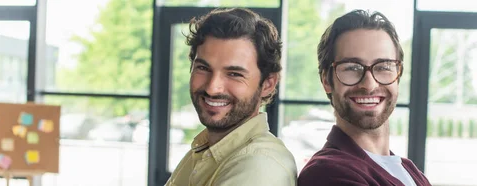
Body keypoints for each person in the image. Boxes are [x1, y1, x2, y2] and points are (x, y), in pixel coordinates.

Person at [297, 9, 432, 186]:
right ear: (326, 81)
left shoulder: (407, 169)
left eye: (383, 66)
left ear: (398, 76)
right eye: (352, 68)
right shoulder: (326, 173)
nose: (369, 85)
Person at [165, 8, 297, 186]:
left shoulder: (259, 166)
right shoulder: (203, 152)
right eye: (203, 68)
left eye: (234, 74)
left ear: (268, 84)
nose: (212, 88)